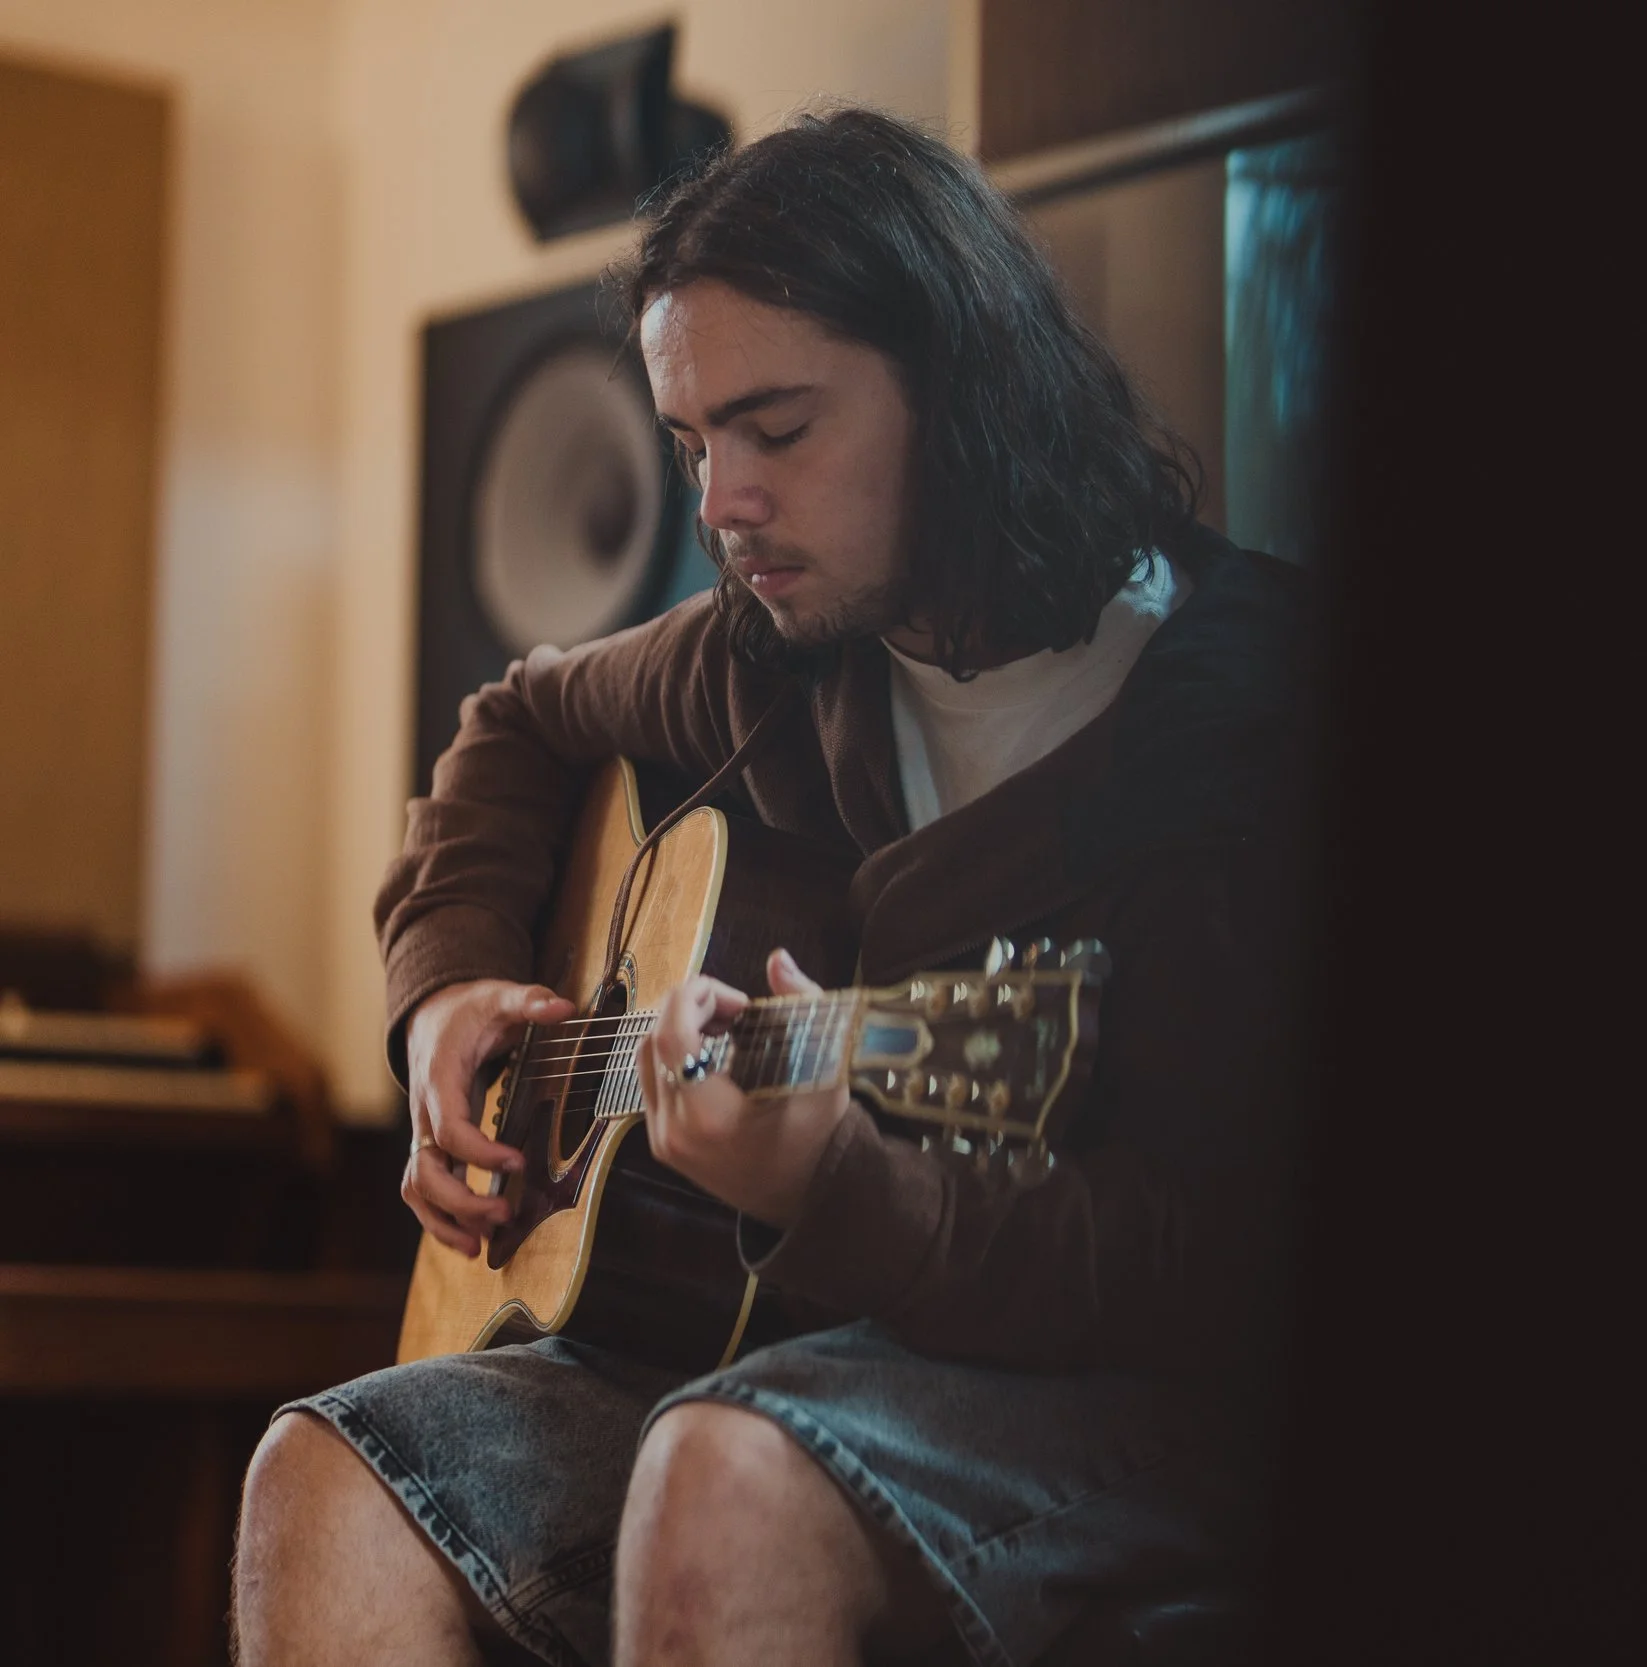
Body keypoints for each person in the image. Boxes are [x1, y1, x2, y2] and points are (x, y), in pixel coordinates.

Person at [232, 107, 1310, 1667]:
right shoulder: (772, 656)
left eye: (777, 431)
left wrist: (841, 1191)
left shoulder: (1232, 718)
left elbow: (1199, 1255)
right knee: (321, 1475)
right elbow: (517, 721)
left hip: (1120, 1396)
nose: (720, 503)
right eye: (690, 444)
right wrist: (451, 988)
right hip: (794, 1352)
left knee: (727, 1463)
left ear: (960, 389)